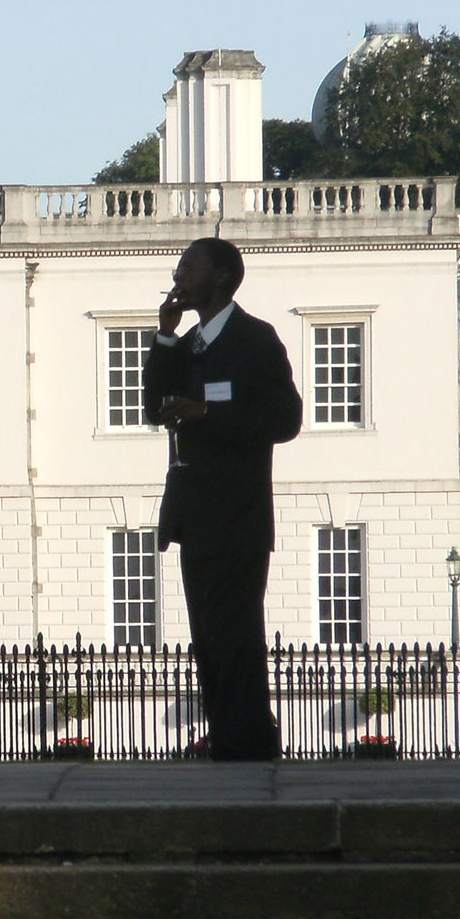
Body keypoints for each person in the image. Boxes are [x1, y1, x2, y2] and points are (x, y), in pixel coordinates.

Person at [144, 237, 301, 761]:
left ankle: (248, 743)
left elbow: (285, 420)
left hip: (238, 516)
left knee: (236, 638)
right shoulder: (188, 345)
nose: (178, 274)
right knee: (208, 641)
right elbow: (153, 407)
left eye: (188, 266)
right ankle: (228, 740)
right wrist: (164, 339)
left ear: (219, 278)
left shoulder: (256, 340)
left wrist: (207, 413)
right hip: (194, 516)